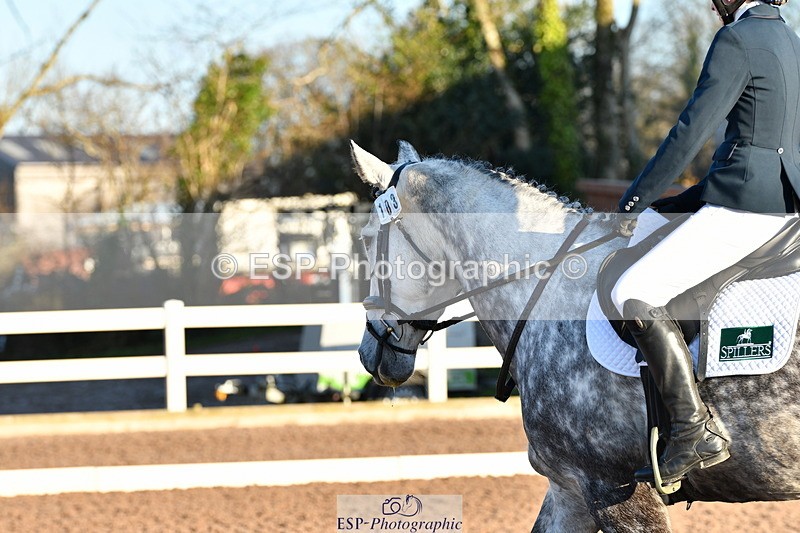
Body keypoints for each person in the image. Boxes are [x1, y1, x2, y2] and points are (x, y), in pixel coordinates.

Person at [612, 0, 800, 485]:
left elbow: (690, 131)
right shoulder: (788, 39)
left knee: (632, 292)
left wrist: (635, 200)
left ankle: (693, 430)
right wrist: (678, 202)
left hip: (745, 208)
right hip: (781, 203)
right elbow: (759, 145)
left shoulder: (736, 39)